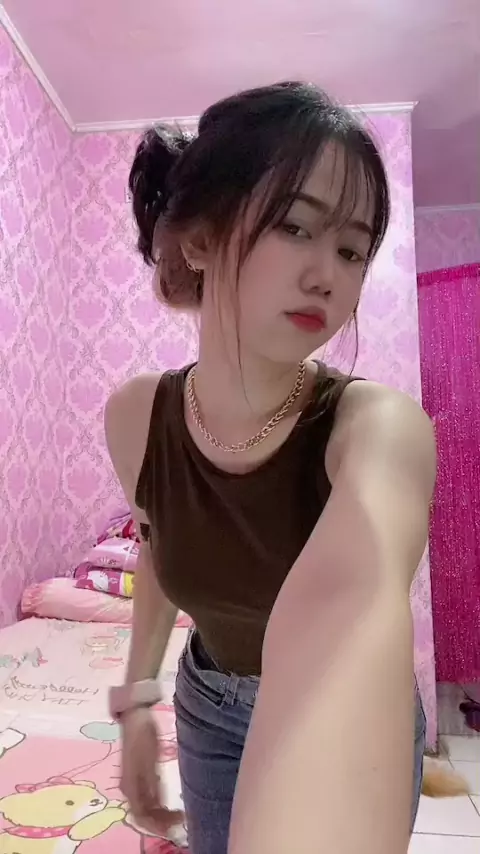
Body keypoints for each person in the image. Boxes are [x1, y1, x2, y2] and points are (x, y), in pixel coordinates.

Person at [105, 81, 436, 854]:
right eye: (295, 226)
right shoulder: (136, 417)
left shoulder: (378, 427)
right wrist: (136, 704)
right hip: (209, 705)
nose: (329, 274)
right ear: (200, 241)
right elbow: (159, 544)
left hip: (342, 704)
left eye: (352, 249)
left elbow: (354, 599)